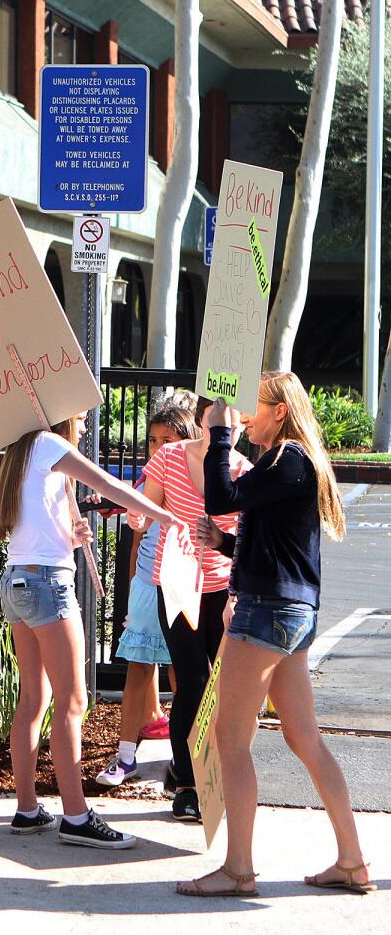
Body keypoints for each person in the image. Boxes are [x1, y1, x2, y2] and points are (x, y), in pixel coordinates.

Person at [178, 374, 373, 897]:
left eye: (252, 407)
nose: (242, 413)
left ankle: (238, 870)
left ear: (280, 411)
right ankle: (351, 860)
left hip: (267, 614)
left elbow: (221, 495)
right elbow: (274, 543)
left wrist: (220, 435)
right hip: (288, 611)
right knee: (302, 736)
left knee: (230, 738)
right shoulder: (288, 462)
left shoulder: (288, 460)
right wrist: (225, 544)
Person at [0, 412, 175, 849]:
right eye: (81, 417)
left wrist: (68, 536)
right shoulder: (52, 446)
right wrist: (165, 516)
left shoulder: (21, 449)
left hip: (18, 578)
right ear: (62, 416)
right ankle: (75, 815)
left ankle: (28, 809)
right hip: (46, 586)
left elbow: (33, 525)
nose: (87, 426)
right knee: (73, 701)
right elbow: (109, 486)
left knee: (34, 700)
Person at [142, 397, 251, 821]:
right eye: (219, 420)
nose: (228, 429)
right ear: (201, 420)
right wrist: (142, 518)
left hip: (222, 589)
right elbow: (145, 510)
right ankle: (188, 784)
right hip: (176, 583)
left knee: (221, 687)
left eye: (236, 423)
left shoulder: (242, 470)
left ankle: (208, 774)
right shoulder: (169, 456)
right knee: (192, 681)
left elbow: (247, 539)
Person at [96, 399, 197, 787]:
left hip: (182, 587)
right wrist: (134, 587)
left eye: (167, 439)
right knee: (138, 668)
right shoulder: (145, 482)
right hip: (146, 586)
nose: (158, 447)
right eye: (153, 440)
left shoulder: (196, 481)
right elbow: (137, 541)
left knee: (183, 675)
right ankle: (125, 756)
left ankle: (183, 761)